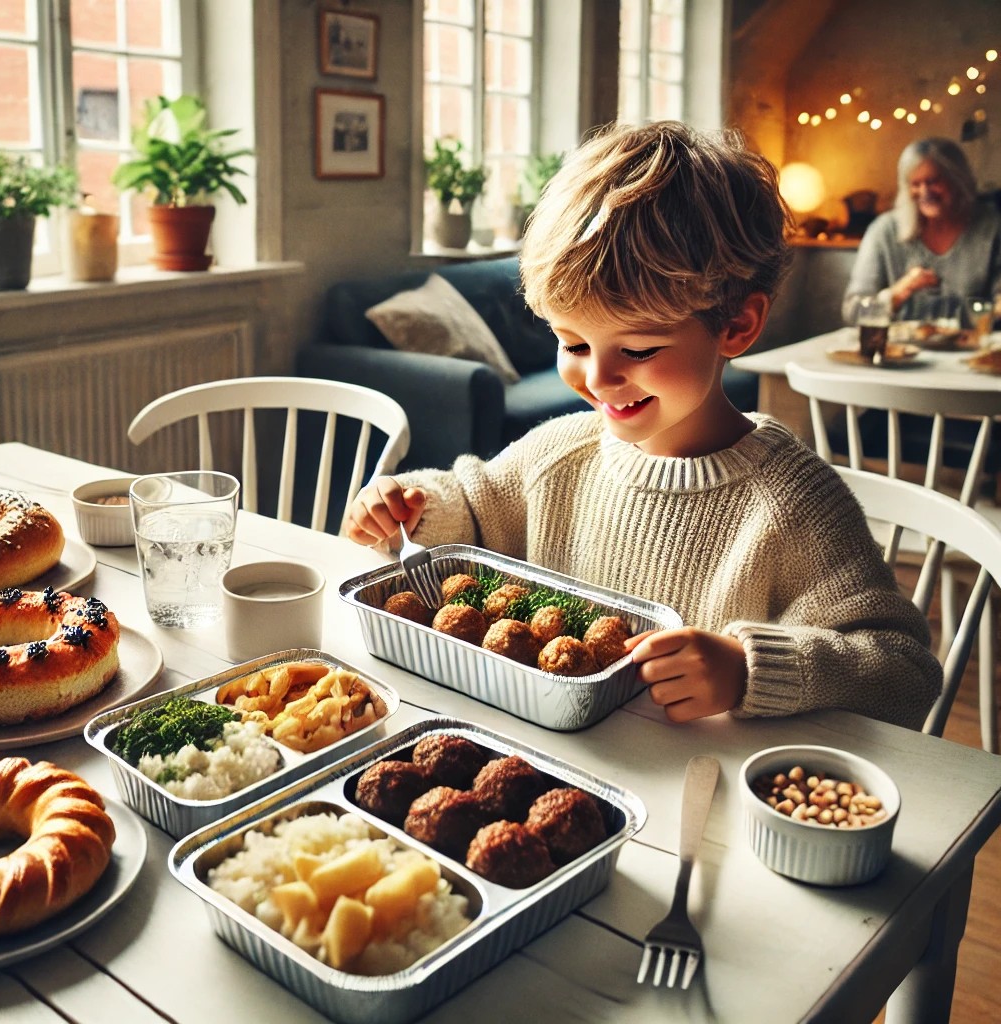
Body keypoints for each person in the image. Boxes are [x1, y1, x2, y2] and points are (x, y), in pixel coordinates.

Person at [346, 120, 942, 731]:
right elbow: (474, 502)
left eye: (637, 351)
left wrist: (748, 670)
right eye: (573, 343)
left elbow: (905, 674)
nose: (599, 380)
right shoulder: (562, 452)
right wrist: (411, 504)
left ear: (736, 325)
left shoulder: (791, 507)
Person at [842, 136, 1001, 324]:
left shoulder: (991, 227)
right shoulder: (884, 231)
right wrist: (899, 292)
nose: (924, 192)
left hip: (973, 349)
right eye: (915, 184)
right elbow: (852, 312)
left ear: (958, 181)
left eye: (933, 181)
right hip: (899, 351)